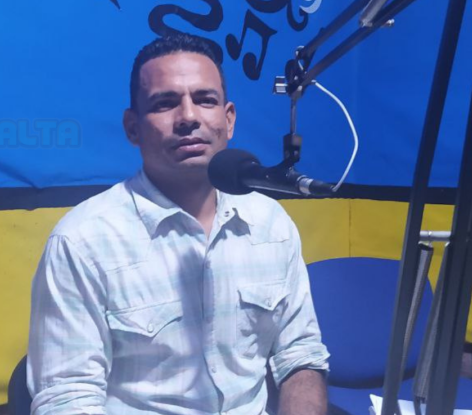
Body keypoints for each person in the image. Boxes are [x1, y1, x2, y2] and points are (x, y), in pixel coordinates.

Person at [27, 33, 330, 415]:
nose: (188, 117)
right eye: (165, 103)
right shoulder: (83, 241)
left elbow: (300, 354)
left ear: (229, 119)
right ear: (132, 127)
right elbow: (67, 400)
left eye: (205, 100)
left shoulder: (272, 224)